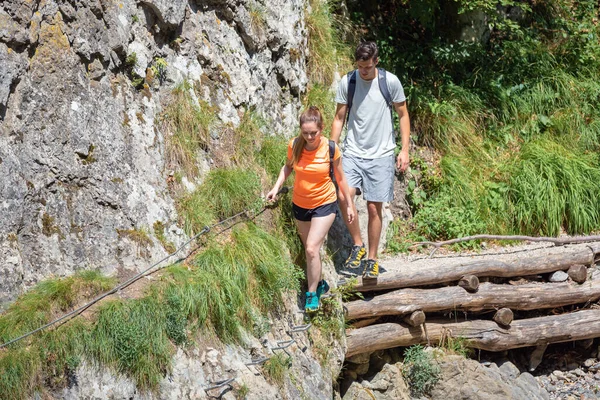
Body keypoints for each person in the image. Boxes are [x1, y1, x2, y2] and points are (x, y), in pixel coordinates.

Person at [330, 41, 411, 278]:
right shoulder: (349, 82)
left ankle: (372, 259)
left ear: (376, 61)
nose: (363, 71)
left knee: (374, 209)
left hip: (382, 154)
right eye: (360, 66)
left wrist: (404, 149)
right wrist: (331, 150)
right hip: (354, 151)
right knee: (344, 194)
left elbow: (403, 114)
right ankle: (358, 244)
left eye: (367, 66)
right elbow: (338, 117)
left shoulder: (390, 82)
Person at [267, 106, 355, 312]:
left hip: (325, 204)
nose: (309, 137)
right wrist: (275, 187)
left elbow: (341, 178)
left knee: (311, 248)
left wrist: (349, 205)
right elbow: (288, 166)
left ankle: (311, 294)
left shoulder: (330, 148)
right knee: (311, 252)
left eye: (313, 133)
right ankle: (321, 283)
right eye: (305, 133)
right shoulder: (295, 145)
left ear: (321, 128)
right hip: (300, 205)